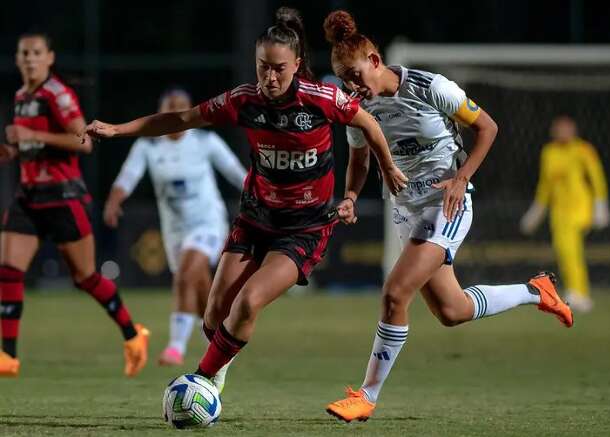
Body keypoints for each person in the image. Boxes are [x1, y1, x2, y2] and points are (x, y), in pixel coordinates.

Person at [84, 7, 407, 393]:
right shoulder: (243, 100)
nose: (270, 77)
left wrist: (385, 169)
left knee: (249, 302)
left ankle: (202, 383)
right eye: (262, 67)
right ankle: (216, 369)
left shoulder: (320, 98)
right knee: (215, 313)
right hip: (255, 219)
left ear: (297, 64)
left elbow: (368, 123)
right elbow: (182, 119)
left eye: (279, 68)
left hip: (304, 228)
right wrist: (117, 129)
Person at [322, 10, 574, 422]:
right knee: (452, 311)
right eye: (344, 79)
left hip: (447, 204)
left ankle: (366, 396)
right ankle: (536, 291)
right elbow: (360, 159)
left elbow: (488, 127)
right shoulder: (354, 105)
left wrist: (461, 178)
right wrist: (350, 195)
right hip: (406, 209)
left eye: (355, 74)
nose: (352, 85)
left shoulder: (429, 86)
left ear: (374, 60)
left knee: (394, 293)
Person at [0, 32, 149, 378]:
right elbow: (31, 148)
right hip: (29, 196)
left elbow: (83, 142)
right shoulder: (22, 96)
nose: (30, 59)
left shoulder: (57, 94)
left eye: (37, 53)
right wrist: (11, 152)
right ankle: (8, 357)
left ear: (49, 58)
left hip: (63, 197)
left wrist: (32, 136)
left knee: (85, 278)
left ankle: (132, 334)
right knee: (7, 271)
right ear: (17, 59)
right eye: (24, 53)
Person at [104, 87, 247, 368]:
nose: (175, 112)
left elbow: (235, 172)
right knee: (201, 285)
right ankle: (218, 341)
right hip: (174, 231)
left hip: (208, 221)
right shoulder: (148, 145)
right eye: (169, 107)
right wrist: (114, 200)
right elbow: (128, 176)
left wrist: (260, 197)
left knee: (185, 272)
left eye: (180, 107)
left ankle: (175, 348)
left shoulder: (205, 141)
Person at [520, 115, 610, 312]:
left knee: (570, 250)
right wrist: (536, 212)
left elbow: (597, 178)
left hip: (580, 208)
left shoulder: (583, 150)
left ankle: (578, 292)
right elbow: (545, 186)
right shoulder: (549, 152)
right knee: (565, 251)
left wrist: (600, 206)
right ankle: (577, 292)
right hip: (559, 212)